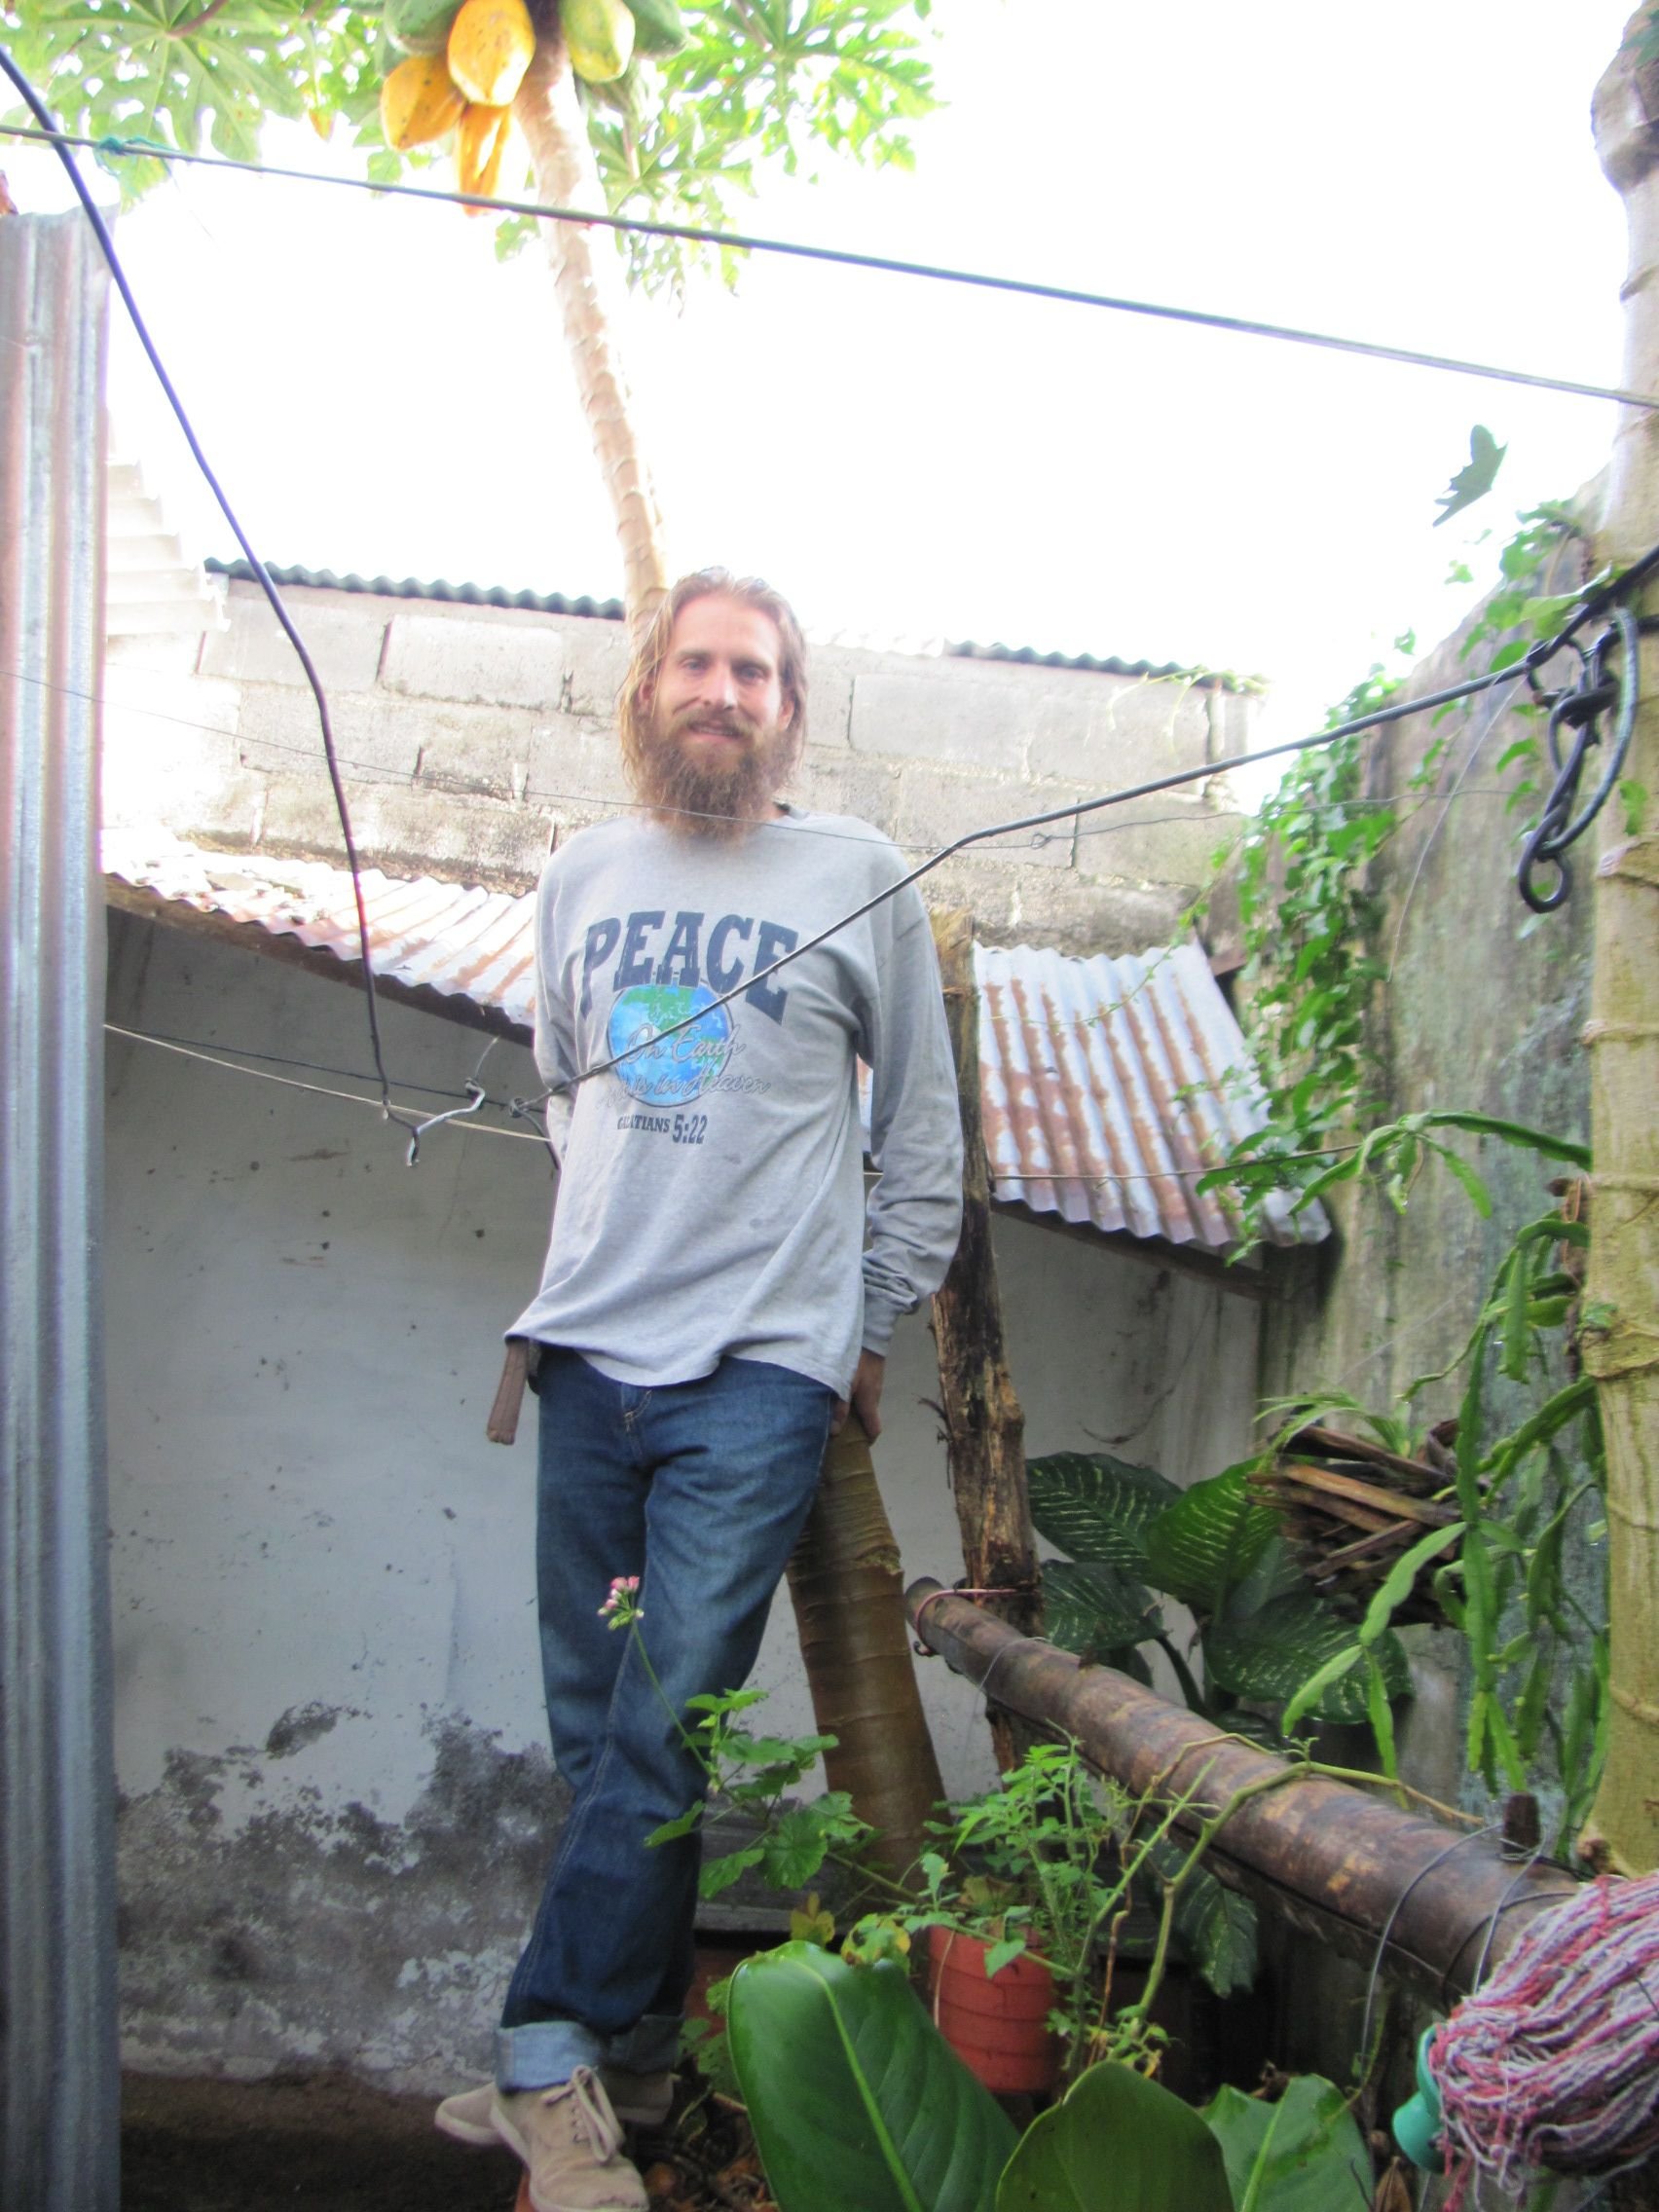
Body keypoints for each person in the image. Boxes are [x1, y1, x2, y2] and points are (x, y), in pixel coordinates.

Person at [435, 570, 964, 2211]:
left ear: (788, 709)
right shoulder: (582, 872)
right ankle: (645, 2057)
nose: (722, 691)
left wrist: (854, 1328)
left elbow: (923, 1143)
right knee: (599, 1729)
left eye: (754, 671)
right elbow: (564, 1095)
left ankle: (541, 2059)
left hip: (754, 1380)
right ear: (647, 691)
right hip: (588, 1364)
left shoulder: (857, 874)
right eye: (697, 664)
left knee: (667, 1713)